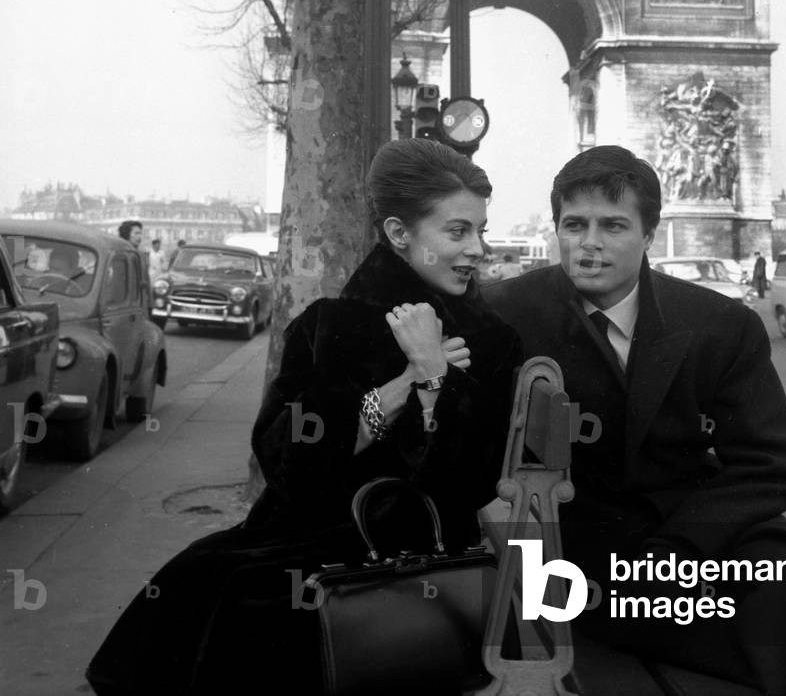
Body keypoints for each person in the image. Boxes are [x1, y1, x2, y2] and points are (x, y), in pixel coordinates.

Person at [87, 139, 523, 695]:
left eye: (480, 230)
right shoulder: (330, 326)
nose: (478, 249)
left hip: (421, 549)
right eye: (458, 232)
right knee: (207, 580)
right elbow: (285, 460)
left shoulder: (491, 341)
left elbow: (473, 480)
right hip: (307, 531)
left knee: (252, 604)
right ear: (398, 234)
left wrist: (438, 376)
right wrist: (403, 385)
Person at [483, 146, 786, 696]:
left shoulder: (721, 325)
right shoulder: (502, 314)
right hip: (563, 544)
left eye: (613, 226)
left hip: (685, 548)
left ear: (650, 234)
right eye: (574, 225)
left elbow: (770, 465)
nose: (590, 243)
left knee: (785, 575)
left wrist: (681, 548)